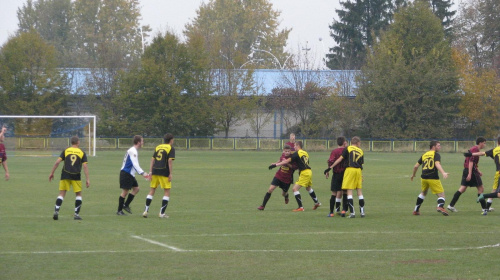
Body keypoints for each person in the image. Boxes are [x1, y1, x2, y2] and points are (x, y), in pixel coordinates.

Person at [271, 141, 320, 212]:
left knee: (295, 189)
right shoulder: (305, 153)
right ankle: (317, 203)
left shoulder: (297, 153)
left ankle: (301, 207)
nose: (294, 147)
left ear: (297, 145)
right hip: (309, 172)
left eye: (295, 146)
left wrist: (275, 165)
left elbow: (286, 161)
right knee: (308, 188)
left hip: (305, 173)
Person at [49, 136, 90, 220]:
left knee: (61, 194)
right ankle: (76, 214)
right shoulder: (81, 152)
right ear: (78, 142)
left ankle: (56, 211)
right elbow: (85, 166)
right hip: (76, 175)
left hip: (65, 174)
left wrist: (52, 173)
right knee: (78, 194)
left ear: (71, 142)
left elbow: (57, 162)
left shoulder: (66, 150)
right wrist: (87, 179)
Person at [447, 137, 487, 214]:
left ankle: (451, 205)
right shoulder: (475, 149)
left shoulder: (473, 149)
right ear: (480, 143)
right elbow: (471, 162)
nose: (485, 145)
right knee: (481, 188)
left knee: (462, 189)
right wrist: (470, 173)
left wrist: (478, 170)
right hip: (471, 171)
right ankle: (484, 208)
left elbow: (473, 162)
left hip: (466, 170)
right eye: (484, 143)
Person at [410, 140, 449, 216]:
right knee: (441, 195)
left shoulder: (424, 154)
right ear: (433, 147)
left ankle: (416, 210)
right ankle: (440, 206)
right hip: (433, 177)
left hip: (424, 178)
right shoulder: (436, 154)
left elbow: (416, 166)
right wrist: (443, 172)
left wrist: (413, 175)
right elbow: (437, 164)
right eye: (438, 145)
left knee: (423, 193)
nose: (440, 147)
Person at [329, 136, 365, 218]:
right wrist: (361, 175)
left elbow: (340, 159)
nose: (360, 144)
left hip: (350, 170)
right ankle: (362, 212)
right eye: (360, 143)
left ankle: (352, 213)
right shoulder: (361, 151)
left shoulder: (348, 148)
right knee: (359, 191)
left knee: (349, 191)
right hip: (358, 171)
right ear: (357, 143)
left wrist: (331, 167)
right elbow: (361, 164)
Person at [143, 133, 175, 218]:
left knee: (152, 190)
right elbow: (170, 161)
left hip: (155, 170)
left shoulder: (158, 147)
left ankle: (145, 211)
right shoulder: (171, 148)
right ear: (171, 140)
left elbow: (152, 159)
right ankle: (162, 213)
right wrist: (170, 173)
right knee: (167, 191)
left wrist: (150, 171)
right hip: (164, 172)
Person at [117, 135, 150, 216]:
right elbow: (135, 164)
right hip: (126, 173)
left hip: (130, 174)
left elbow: (134, 165)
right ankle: (119, 210)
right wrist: (143, 173)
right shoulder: (133, 151)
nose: (143, 143)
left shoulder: (134, 150)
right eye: (142, 141)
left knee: (136, 189)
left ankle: (126, 205)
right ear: (138, 142)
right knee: (125, 192)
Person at [258, 145, 296, 210]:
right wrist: (275, 163)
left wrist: (286, 163)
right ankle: (263, 206)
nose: (287, 152)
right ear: (283, 151)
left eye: (288, 151)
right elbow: (280, 160)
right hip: (279, 175)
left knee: (283, 193)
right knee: (270, 189)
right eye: (285, 151)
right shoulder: (283, 155)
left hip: (287, 179)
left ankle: (286, 196)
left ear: (290, 151)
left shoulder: (293, 158)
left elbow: (293, 167)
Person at [471, 137, 500, 211]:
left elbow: (482, 153)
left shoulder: (495, 150)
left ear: (498, 142)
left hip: (498, 173)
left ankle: (486, 206)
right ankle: (485, 200)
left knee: (495, 190)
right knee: (497, 192)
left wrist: (471, 154)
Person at [324, 136, 348, 217]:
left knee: (334, 193)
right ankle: (344, 210)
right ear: (344, 142)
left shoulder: (334, 151)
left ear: (337, 142)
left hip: (336, 174)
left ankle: (331, 212)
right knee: (345, 192)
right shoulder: (346, 150)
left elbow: (330, 161)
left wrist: (328, 171)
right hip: (345, 174)